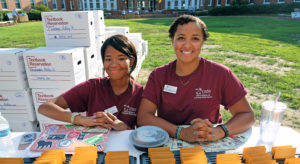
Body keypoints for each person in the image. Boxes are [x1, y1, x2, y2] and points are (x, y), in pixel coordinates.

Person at [137, 15, 255, 143]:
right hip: (169, 143)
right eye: (181, 38)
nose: (187, 45)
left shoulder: (221, 74)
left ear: (203, 42)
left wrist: (219, 131)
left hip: (208, 143)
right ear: (173, 41)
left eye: (195, 38)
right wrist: (180, 132)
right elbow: (143, 117)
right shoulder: (158, 75)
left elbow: (247, 115)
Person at [38, 35, 143, 130]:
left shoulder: (141, 93)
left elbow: (146, 133)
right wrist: (81, 120)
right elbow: (44, 108)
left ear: (132, 61)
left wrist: (124, 128)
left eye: (121, 58)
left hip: (124, 148)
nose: (114, 64)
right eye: (108, 59)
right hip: (94, 147)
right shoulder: (92, 87)